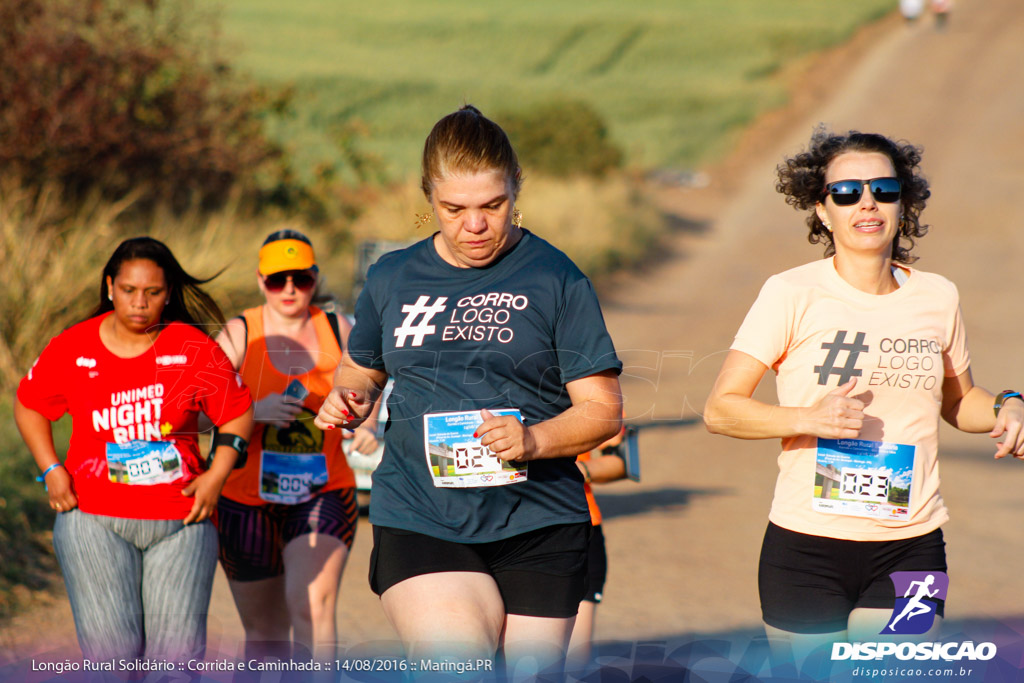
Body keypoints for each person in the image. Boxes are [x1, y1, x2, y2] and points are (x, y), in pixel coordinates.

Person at [315, 104, 623, 678]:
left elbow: (602, 413)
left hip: (540, 521)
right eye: (454, 209)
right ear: (428, 198)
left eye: (492, 206)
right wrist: (350, 397)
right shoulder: (392, 278)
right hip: (422, 515)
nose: (474, 225)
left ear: (516, 190)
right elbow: (361, 371)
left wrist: (532, 441)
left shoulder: (557, 278)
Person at [703, 128, 1024, 664]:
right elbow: (721, 410)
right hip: (806, 547)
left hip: (914, 544)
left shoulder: (938, 296)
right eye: (847, 192)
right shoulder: (791, 293)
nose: (867, 203)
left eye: (883, 189)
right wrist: (810, 417)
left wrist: (1006, 404)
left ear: (904, 202)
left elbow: (957, 402)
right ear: (822, 210)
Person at [13, 237, 254, 665]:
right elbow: (30, 405)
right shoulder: (73, 346)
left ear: (168, 294)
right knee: (113, 661)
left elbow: (235, 413)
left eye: (153, 292)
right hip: (92, 520)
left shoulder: (192, 348)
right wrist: (50, 469)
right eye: (129, 290)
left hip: (181, 522)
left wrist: (216, 476)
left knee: (175, 664)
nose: (139, 302)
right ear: (109, 287)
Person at [213, 230, 378, 663]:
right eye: (277, 279)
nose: (289, 289)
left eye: (301, 279)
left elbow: (369, 388)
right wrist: (254, 411)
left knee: (312, 609)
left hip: (322, 491)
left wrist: (366, 424)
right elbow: (202, 413)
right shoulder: (237, 334)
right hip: (243, 497)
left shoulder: (338, 328)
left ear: (315, 278)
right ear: (260, 279)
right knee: (264, 633)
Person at [567, 431, 627, 672]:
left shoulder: (592, 392)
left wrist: (569, 471)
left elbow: (623, 463)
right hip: (475, 530)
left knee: (571, 664)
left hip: (577, 530)